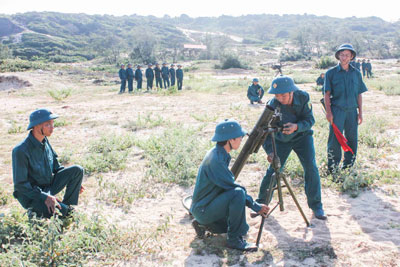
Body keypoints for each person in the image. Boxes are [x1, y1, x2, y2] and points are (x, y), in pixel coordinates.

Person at [190, 119, 269, 251]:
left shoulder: (219, 153)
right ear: (230, 140)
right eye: (239, 137)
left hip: (204, 205)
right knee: (238, 193)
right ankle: (234, 240)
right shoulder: (216, 160)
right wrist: (256, 206)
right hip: (203, 208)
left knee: (228, 226)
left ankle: (201, 224)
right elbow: (233, 188)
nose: (241, 140)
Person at [257, 75, 326, 220]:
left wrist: (296, 127)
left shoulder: (303, 97)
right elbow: (263, 130)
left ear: (292, 92)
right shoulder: (272, 105)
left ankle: (316, 206)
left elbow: (310, 120)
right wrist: (270, 151)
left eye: (283, 95)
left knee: (311, 168)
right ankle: (261, 205)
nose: (280, 98)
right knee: (274, 170)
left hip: (302, 137)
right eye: (277, 95)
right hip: (281, 140)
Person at [12, 109, 84, 218]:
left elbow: (57, 167)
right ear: (36, 126)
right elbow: (20, 185)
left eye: (52, 123)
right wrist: (44, 197)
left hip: (48, 187)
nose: (52, 127)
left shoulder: (45, 142)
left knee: (77, 170)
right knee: (69, 215)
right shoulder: (20, 150)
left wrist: (74, 182)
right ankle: (36, 210)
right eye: (48, 124)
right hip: (32, 196)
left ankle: (65, 206)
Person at [323, 43, 368, 174]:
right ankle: (333, 168)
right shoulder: (330, 73)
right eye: (342, 55)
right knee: (335, 139)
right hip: (337, 111)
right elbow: (326, 94)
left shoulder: (356, 73)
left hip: (352, 112)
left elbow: (359, 93)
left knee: (352, 138)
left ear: (351, 56)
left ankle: (348, 166)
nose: (344, 57)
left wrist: (360, 113)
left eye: (347, 55)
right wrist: (329, 113)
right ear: (338, 56)